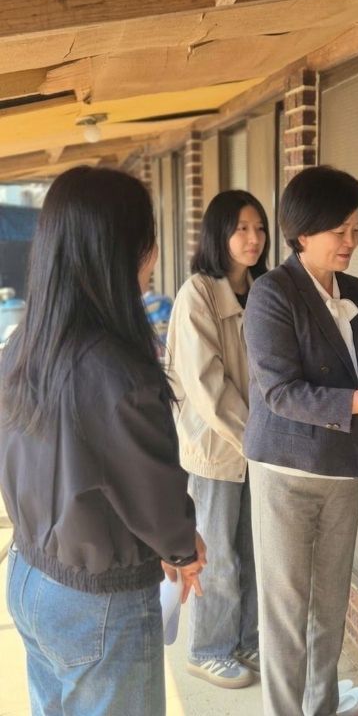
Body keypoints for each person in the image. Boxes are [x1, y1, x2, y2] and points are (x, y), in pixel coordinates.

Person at [0, 166, 206, 716]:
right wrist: (183, 549)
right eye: (147, 241)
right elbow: (152, 489)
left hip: (30, 573)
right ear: (120, 251)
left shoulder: (24, 345)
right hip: (97, 601)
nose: (153, 257)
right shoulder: (115, 369)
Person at [243, 166, 358, 716]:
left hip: (344, 467)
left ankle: (319, 706)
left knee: (330, 605)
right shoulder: (272, 293)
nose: (352, 241)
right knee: (286, 613)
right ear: (303, 231)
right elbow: (279, 391)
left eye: (357, 228)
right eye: (340, 230)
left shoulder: (357, 291)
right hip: (287, 472)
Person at [166, 190, 269, 688]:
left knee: (252, 550)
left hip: (260, 448)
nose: (253, 238)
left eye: (259, 228)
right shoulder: (198, 294)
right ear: (219, 233)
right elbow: (207, 387)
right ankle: (207, 648)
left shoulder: (264, 289)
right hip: (216, 448)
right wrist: (258, 439)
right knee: (219, 555)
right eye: (241, 228)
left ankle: (246, 639)